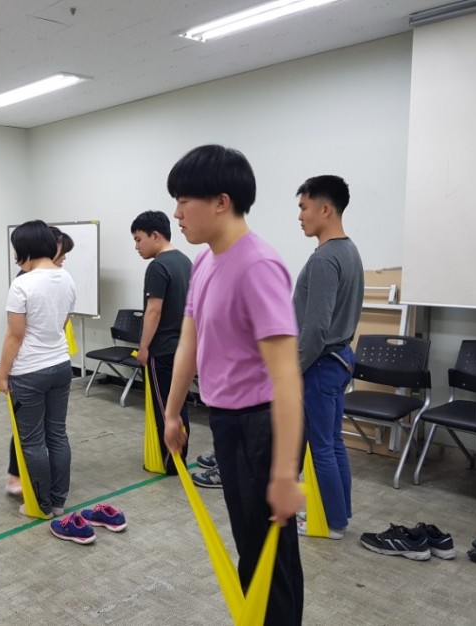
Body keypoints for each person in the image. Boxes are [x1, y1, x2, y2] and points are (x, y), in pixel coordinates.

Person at [162, 145, 305, 625]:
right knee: (250, 544)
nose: (177, 213)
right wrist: (172, 411)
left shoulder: (257, 266)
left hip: (261, 426)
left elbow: (287, 377)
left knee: (270, 558)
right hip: (226, 421)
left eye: (184, 201)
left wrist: (284, 473)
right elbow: (190, 339)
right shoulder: (204, 261)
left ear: (221, 202)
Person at [293, 175, 363, 540]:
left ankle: (331, 523)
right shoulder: (350, 251)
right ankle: (338, 515)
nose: (300, 216)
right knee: (333, 442)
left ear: (325, 209)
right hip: (339, 359)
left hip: (320, 364)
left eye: (304, 208)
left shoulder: (324, 259)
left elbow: (316, 328)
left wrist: (293, 370)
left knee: (321, 446)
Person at [0, 220, 77, 517]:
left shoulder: (22, 284)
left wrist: (2, 374)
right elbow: (62, 323)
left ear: (26, 247)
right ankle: (57, 502)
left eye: (16, 248)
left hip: (29, 372)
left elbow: (14, 336)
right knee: (57, 435)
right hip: (61, 365)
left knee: (32, 441)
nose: (14, 255)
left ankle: (41, 505)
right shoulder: (67, 279)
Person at [130, 210, 192, 475]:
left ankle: (171, 462)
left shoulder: (157, 266)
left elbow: (153, 311)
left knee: (164, 407)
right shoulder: (185, 261)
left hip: (163, 349)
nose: (137, 246)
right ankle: (179, 457)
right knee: (178, 405)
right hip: (183, 348)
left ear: (155, 236)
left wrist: (144, 348)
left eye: (139, 239)